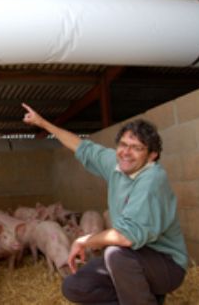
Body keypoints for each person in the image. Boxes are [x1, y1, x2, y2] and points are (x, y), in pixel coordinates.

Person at [22, 103, 188, 305]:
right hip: (132, 259)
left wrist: (85, 240)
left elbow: (126, 237)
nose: (126, 152)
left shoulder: (152, 179)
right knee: (74, 287)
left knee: (115, 253)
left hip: (166, 264)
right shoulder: (116, 163)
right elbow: (80, 146)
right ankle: (146, 298)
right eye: (123, 145)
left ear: (152, 156)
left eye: (137, 148)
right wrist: (43, 123)